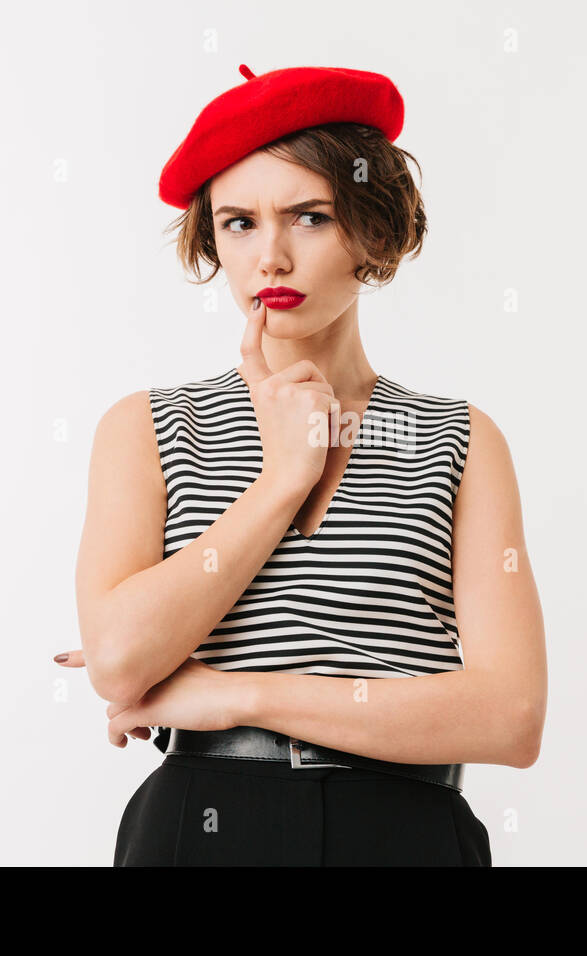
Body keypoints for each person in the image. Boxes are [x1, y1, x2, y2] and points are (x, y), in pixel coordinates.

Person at [54, 64, 546, 866]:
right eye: (239, 223)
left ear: (374, 231)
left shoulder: (458, 439)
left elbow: (511, 715)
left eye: (308, 217)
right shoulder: (148, 427)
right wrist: (283, 477)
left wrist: (233, 693)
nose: (270, 257)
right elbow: (118, 660)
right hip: (200, 826)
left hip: (405, 833)